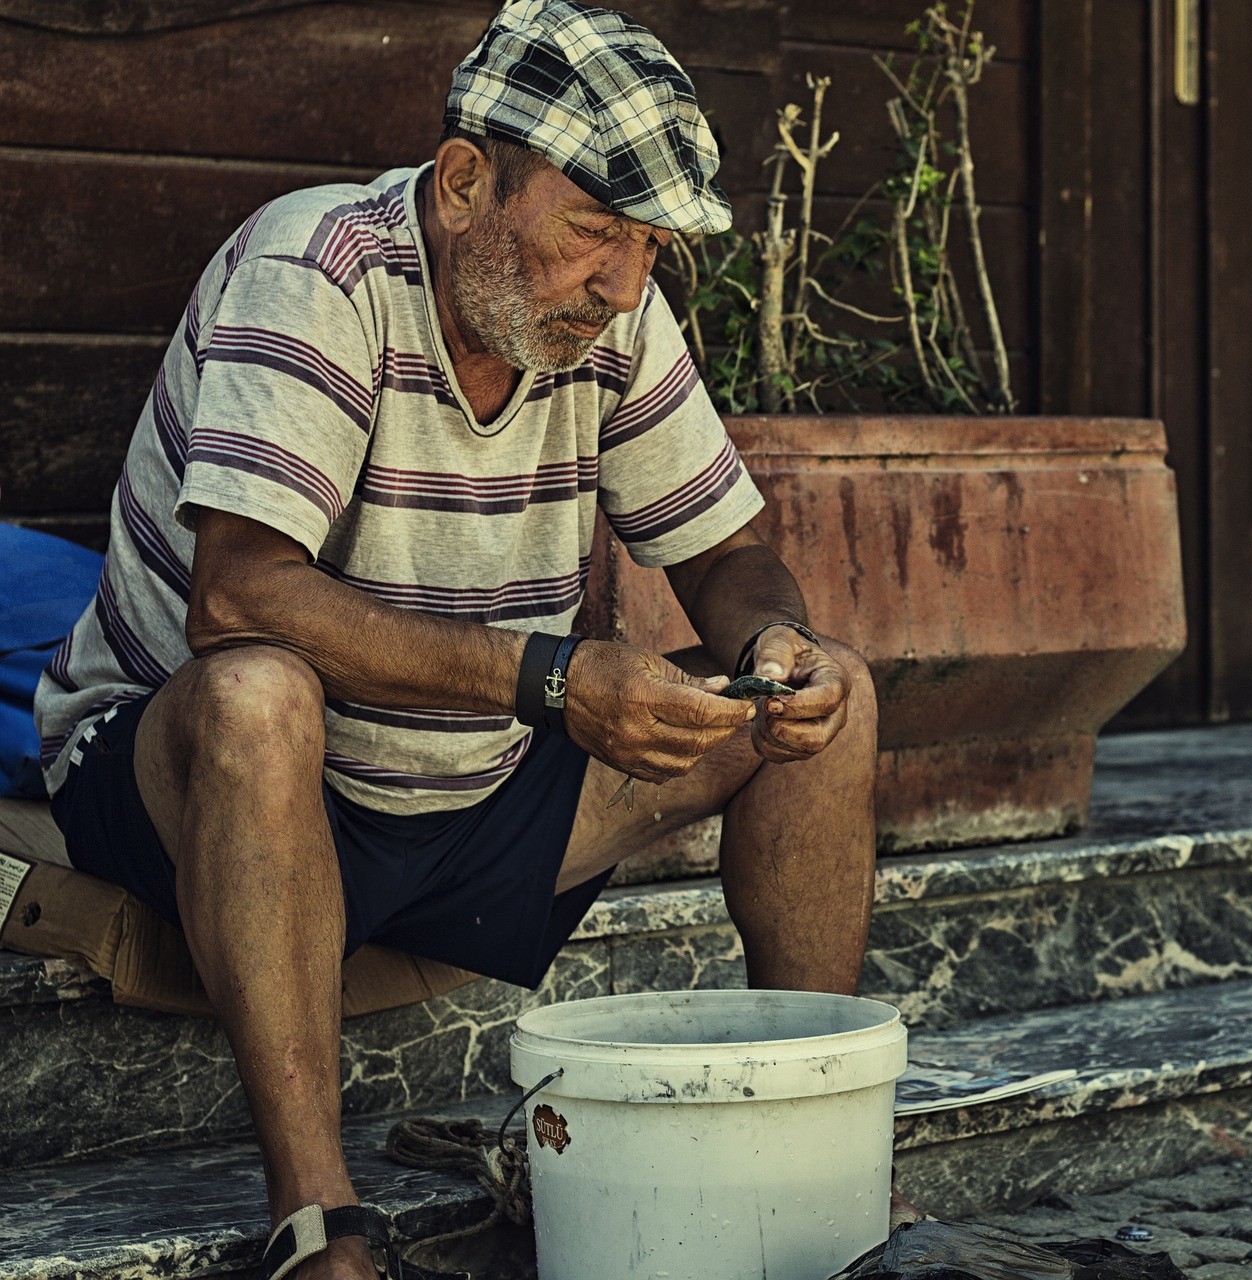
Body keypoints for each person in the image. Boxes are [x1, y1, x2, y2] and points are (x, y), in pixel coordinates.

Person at [31, 3, 878, 1276]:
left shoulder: (614, 316)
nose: (626, 281)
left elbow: (724, 556)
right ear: (467, 180)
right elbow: (239, 595)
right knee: (258, 694)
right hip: (222, 790)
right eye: (595, 229)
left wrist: (772, 645)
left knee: (833, 697)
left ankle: (819, 1151)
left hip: (467, 794)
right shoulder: (321, 269)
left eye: (649, 244)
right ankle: (322, 1224)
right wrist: (550, 680)